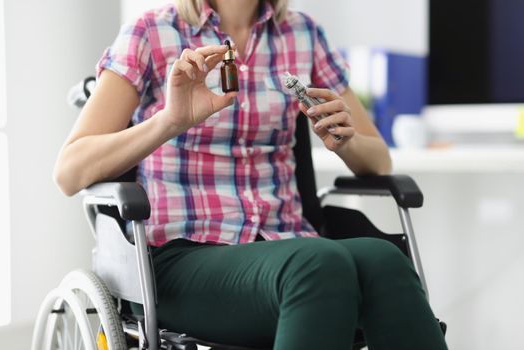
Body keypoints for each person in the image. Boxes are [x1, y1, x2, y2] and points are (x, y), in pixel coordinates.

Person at [54, 0, 448, 349]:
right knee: (318, 263)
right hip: (182, 257)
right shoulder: (151, 33)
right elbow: (69, 171)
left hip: (290, 246)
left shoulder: (303, 34)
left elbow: (378, 162)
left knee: (383, 259)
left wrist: (344, 140)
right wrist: (169, 122)